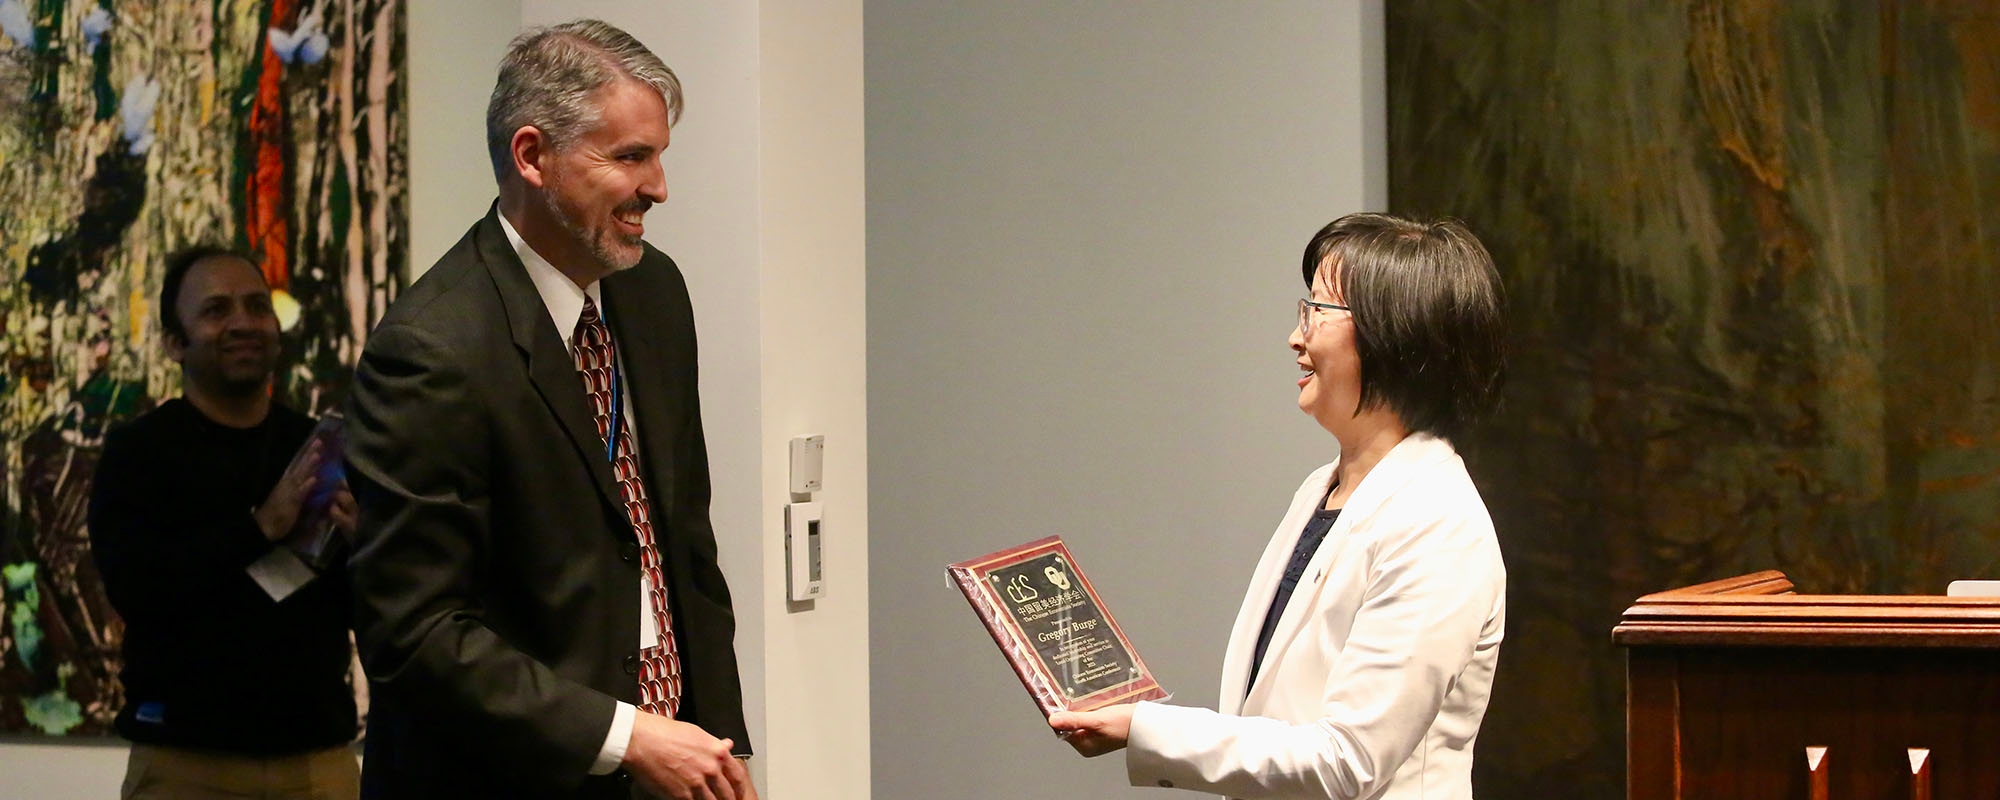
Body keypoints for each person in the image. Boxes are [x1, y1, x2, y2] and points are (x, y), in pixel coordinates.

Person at [342, 19, 755, 800]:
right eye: (630, 157)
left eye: (659, 155)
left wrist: (721, 752)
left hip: (667, 772)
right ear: (533, 156)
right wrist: (627, 736)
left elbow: (685, 551)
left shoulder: (653, 291)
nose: (658, 187)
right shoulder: (434, 348)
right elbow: (415, 634)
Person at [1050, 213, 1508, 800]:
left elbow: (1347, 762)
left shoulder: (1437, 525)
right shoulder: (1322, 488)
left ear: (1396, 337)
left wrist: (1145, 729)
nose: (1297, 337)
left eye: (1318, 311)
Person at [88, 245, 360, 800]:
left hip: (318, 762)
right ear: (174, 343)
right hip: (186, 764)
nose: (243, 322)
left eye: (257, 306)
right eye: (215, 311)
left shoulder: (320, 448)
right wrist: (259, 527)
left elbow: (361, 607)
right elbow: (137, 589)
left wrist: (367, 547)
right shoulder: (138, 453)